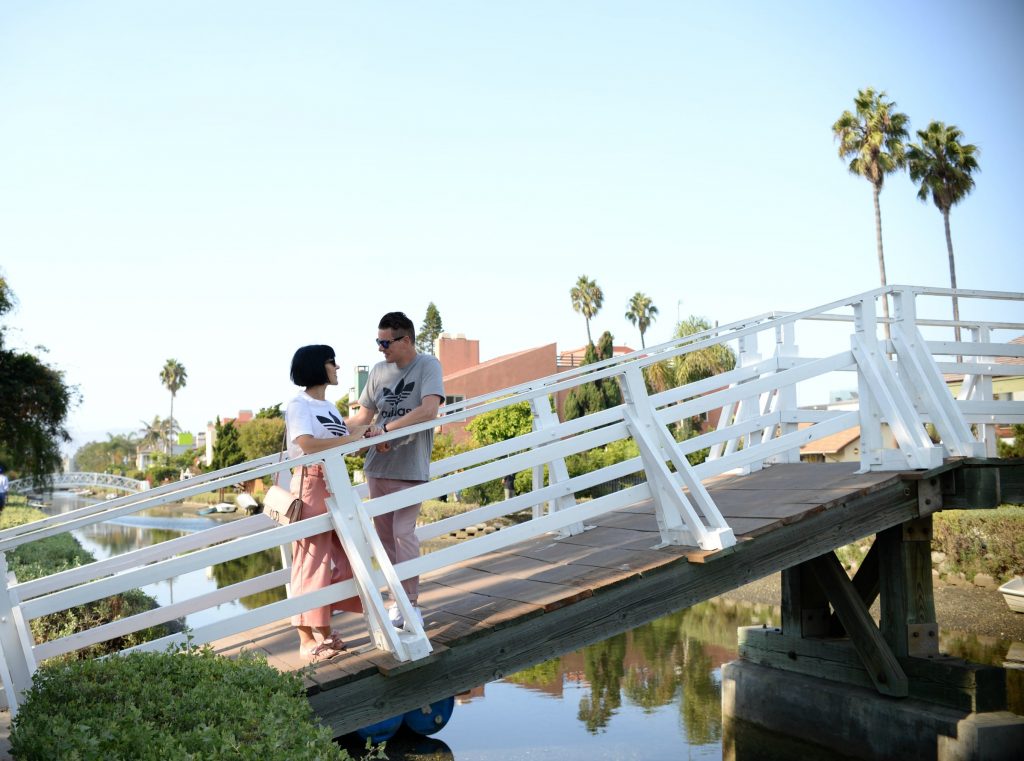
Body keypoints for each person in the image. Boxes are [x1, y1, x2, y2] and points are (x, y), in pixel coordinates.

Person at [348, 312, 444, 629]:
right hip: (377, 467)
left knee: (404, 535)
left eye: (385, 342)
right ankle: (396, 603)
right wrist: (328, 436)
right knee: (386, 540)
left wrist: (387, 429)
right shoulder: (378, 372)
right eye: (378, 341)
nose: (380, 348)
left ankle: (411, 604)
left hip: (410, 467)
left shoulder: (428, 366)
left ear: (405, 340)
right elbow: (363, 418)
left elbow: (429, 410)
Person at [285, 344, 362, 662]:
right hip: (311, 482)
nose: (337, 367)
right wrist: (350, 439)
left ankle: (325, 630)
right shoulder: (299, 404)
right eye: (332, 362)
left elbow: (342, 443)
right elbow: (307, 444)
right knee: (311, 560)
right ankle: (307, 640)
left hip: (335, 482)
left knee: (347, 556)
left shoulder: (329, 407)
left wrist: (365, 439)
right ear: (318, 366)